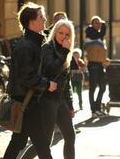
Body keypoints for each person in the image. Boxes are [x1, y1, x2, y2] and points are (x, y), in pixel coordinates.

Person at [4, 2, 57, 159]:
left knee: (18, 142)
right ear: (31, 21)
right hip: (25, 103)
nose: (45, 19)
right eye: (41, 17)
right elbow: (26, 77)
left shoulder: (33, 43)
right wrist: (47, 84)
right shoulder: (26, 46)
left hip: (27, 101)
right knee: (41, 144)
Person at [41, 19, 76, 159]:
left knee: (70, 136)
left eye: (67, 34)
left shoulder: (66, 51)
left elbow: (66, 82)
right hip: (47, 99)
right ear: (55, 32)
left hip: (61, 101)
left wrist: (70, 105)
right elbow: (51, 69)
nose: (63, 36)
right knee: (44, 142)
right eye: (60, 33)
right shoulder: (47, 48)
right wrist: (63, 52)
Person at [84, 16, 109, 117]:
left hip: (100, 64)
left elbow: (100, 51)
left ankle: (97, 108)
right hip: (93, 64)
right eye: (95, 23)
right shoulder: (90, 33)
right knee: (93, 88)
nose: (98, 24)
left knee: (102, 87)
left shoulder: (100, 37)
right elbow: (91, 49)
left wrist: (105, 60)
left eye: (99, 23)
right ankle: (93, 110)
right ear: (92, 24)